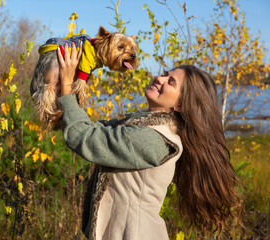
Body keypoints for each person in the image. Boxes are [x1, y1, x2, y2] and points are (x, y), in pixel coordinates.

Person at [56, 42, 240, 239]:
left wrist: (67, 86)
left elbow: (84, 137)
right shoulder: (140, 124)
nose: (160, 78)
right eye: (165, 74)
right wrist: (78, 78)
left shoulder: (154, 140)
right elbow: (92, 128)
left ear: (181, 105)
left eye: (171, 82)